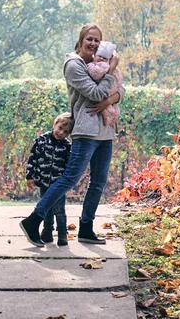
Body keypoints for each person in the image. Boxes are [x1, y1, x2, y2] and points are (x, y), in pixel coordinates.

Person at [20, 24, 124, 247]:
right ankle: (33, 220)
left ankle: (86, 228)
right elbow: (95, 92)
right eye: (89, 39)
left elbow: (120, 90)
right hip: (86, 131)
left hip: (106, 131)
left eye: (97, 40)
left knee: (98, 182)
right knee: (69, 178)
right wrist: (111, 70)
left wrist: (109, 100)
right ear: (81, 40)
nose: (93, 44)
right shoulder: (73, 65)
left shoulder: (100, 64)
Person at [25, 113, 74, 246]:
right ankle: (47, 231)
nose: (61, 133)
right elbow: (32, 158)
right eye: (59, 128)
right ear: (54, 124)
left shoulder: (66, 146)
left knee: (59, 209)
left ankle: (62, 233)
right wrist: (30, 176)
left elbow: (68, 164)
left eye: (65, 132)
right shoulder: (41, 140)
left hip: (58, 183)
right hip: (44, 181)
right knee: (46, 208)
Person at [86, 41, 123, 127]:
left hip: (113, 91)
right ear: (95, 56)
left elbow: (122, 90)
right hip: (105, 94)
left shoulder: (112, 67)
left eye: (105, 58)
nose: (102, 59)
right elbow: (96, 75)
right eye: (100, 56)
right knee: (108, 111)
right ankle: (110, 120)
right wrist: (110, 68)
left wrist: (109, 101)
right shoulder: (93, 66)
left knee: (115, 110)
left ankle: (113, 120)